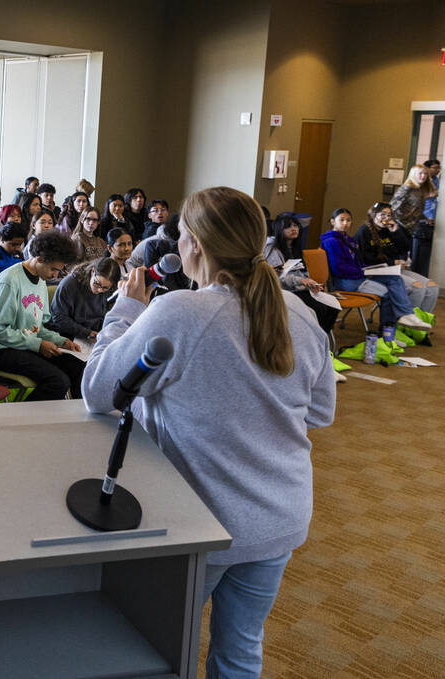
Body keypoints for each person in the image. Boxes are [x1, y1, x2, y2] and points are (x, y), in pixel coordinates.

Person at [83, 186, 336, 679]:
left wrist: (125, 311)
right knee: (240, 650)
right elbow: (320, 412)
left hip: (201, 520)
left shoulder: (180, 311)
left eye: (179, 237)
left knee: (157, 649)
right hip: (277, 518)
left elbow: (98, 388)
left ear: (195, 245)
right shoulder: (301, 313)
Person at [0, 230, 84, 400]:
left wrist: (61, 341)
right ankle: (23, 422)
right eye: (53, 269)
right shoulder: (10, 281)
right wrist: (38, 344)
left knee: (77, 367)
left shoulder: (41, 280)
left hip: (25, 345)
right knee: (58, 381)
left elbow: (37, 328)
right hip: (2, 350)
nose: (55, 275)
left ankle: (74, 416)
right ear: (40, 259)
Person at [320, 208, 430, 330]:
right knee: (388, 292)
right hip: (347, 282)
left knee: (394, 278)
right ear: (332, 222)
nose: (346, 223)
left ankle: (406, 314)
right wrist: (363, 272)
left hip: (357, 277)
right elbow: (338, 268)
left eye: (348, 220)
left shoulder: (347, 239)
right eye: (342, 220)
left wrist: (370, 269)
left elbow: (358, 262)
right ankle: (387, 331)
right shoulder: (331, 241)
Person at [264, 214, 340, 334]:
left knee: (333, 306)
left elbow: (303, 271)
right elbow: (279, 277)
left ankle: (320, 340)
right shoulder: (273, 248)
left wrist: (311, 284)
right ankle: (312, 339)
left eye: (295, 225)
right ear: (279, 229)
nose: (294, 229)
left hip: (299, 288)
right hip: (283, 291)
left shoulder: (295, 248)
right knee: (319, 309)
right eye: (288, 227)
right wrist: (302, 282)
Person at [357, 201, 438, 313]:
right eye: (383, 214)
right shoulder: (364, 231)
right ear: (374, 215)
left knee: (432, 287)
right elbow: (367, 259)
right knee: (418, 288)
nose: (386, 218)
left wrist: (396, 232)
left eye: (389, 215)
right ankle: (406, 323)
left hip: (392, 270)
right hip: (374, 273)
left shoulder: (388, 230)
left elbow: (404, 248)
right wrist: (393, 262)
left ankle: (421, 325)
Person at [49, 256, 119, 342]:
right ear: (92, 272)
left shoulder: (111, 290)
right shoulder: (69, 284)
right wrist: (86, 333)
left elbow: (109, 315)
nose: (100, 290)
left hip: (94, 336)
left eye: (105, 288)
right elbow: (58, 317)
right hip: (68, 335)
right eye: (97, 284)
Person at [392, 164, 437, 276]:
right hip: (400, 227)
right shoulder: (407, 188)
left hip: (411, 229)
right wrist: (393, 224)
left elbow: (416, 209)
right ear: (413, 174)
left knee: (407, 258)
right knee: (400, 258)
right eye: (420, 173)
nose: (423, 176)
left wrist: (427, 219)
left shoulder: (420, 190)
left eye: (425, 173)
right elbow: (392, 207)